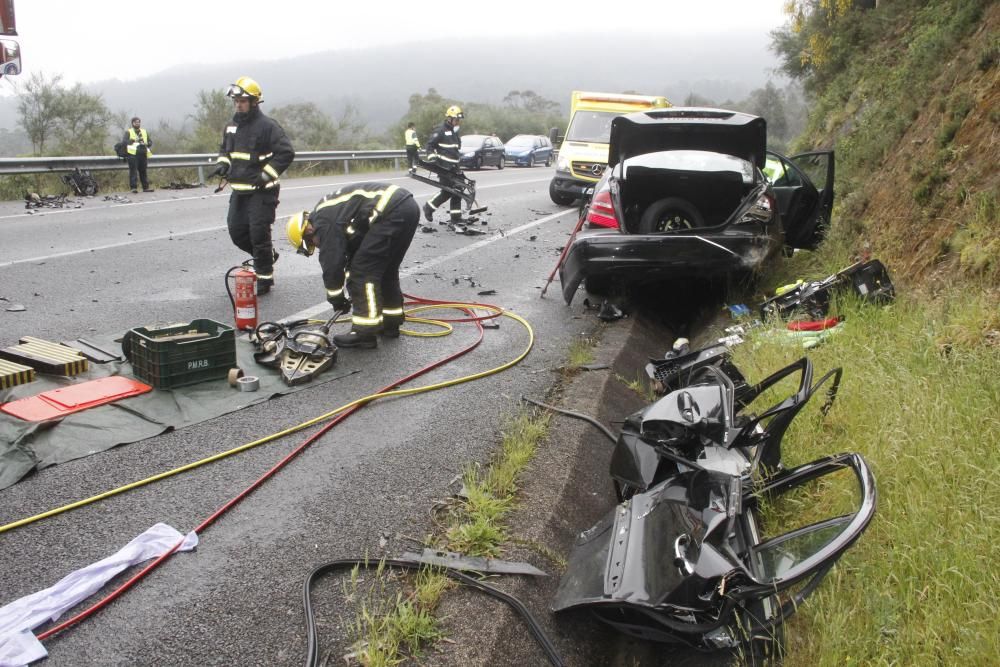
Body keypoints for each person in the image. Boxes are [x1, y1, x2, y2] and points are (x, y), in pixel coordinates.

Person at [285, 182, 420, 349]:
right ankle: (390, 323)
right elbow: (355, 247)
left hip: (391, 211)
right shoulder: (331, 212)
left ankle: (364, 332)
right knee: (385, 271)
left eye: (310, 243)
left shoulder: (323, 221)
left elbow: (332, 262)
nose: (317, 245)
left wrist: (336, 297)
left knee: (362, 274)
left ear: (307, 231)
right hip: (406, 207)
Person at [211, 76, 295, 295]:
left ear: (254, 101)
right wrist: (223, 164)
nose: (238, 104)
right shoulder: (230, 127)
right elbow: (225, 151)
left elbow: (286, 152)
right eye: (236, 100)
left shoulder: (268, 126)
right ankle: (266, 255)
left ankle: (265, 279)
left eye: (243, 100)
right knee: (237, 232)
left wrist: (265, 176)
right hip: (239, 191)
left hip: (262, 192)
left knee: (258, 234)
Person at [422, 105, 465, 224]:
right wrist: (433, 159)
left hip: (454, 168)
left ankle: (455, 218)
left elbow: (455, 150)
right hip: (444, 168)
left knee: (458, 190)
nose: (458, 122)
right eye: (456, 120)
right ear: (449, 119)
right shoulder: (440, 130)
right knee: (447, 191)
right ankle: (428, 207)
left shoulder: (454, 133)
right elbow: (430, 146)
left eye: (459, 120)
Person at [122, 117, 153, 193]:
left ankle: (145, 188)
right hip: (133, 155)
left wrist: (147, 143)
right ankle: (133, 188)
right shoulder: (128, 132)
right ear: (132, 123)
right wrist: (133, 140)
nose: (137, 123)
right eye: (136, 122)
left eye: (139, 122)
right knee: (133, 172)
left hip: (143, 154)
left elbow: (150, 142)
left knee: (143, 171)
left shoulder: (144, 131)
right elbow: (124, 142)